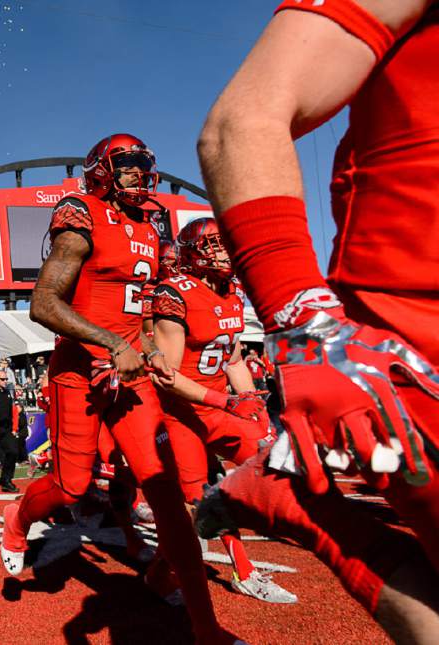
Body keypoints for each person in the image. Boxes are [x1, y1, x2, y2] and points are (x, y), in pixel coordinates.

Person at [196, 1, 439, 640]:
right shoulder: (175, 292)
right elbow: (241, 121)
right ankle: (301, 507)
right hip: (415, 323)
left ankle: (296, 502)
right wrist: (306, 326)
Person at [0, 133, 230, 644]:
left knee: (164, 490)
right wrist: (110, 344)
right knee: (72, 487)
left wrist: (147, 352)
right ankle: (17, 517)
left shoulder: (149, 228)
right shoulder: (80, 213)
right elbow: (44, 303)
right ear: (101, 169)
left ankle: (205, 626)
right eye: (125, 164)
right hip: (78, 371)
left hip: (130, 376)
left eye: (142, 165)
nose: (137, 174)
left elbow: (140, 314)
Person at [150, 217, 296, 604]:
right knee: (199, 499)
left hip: (218, 405)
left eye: (224, 243)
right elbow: (166, 376)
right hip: (179, 411)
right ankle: (241, 570)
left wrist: (248, 400)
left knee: (271, 462)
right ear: (192, 255)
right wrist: (224, 401)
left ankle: (159, 571)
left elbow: (231, 358)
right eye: (212, 245)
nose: (222, 251)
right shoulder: (173, 294)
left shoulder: (231, 293)